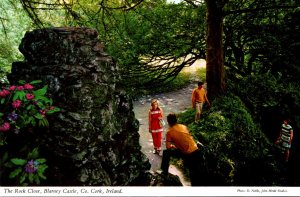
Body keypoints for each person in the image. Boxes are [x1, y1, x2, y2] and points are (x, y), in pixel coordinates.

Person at [160, 113, 202, 186]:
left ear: (168, 122)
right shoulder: (183, 126)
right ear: (176, 120)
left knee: (166, 152)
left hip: (187, 153)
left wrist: (173, 145)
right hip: (195, 150)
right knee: (194, 173)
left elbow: (168, 147)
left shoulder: (169, 132)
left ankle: (164, 172)